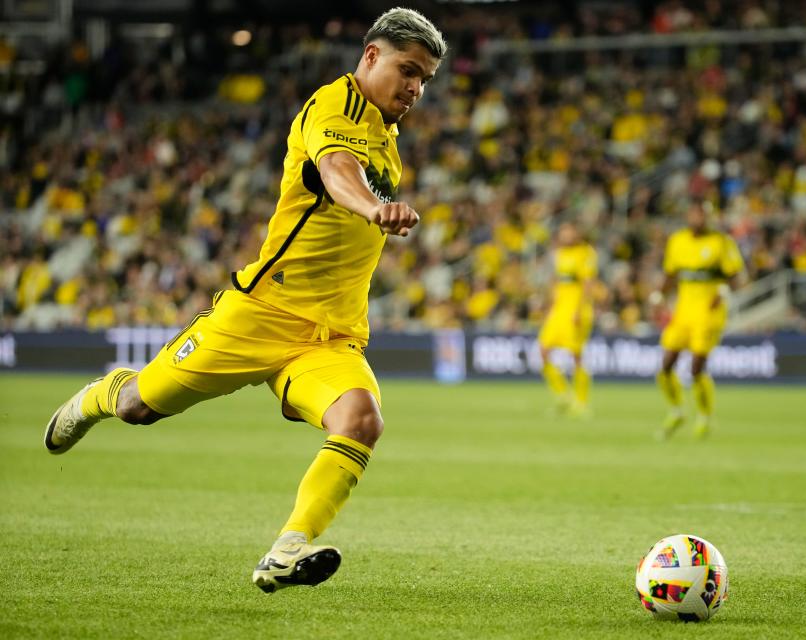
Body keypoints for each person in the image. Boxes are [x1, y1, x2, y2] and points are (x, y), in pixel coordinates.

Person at [43, 8, 446, 594]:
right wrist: (372, 207)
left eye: (426, 79)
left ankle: (286, 552)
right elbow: (336, 169)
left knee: (361, 420)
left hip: (330, 335)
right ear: (370, 57)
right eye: (408, 70)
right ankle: (100, 395)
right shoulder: (332, 108)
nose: (415, 88)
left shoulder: (388, 136)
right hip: (259, 315)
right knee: (140, 406)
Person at [650, 200, 744, 439]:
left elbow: (736, 277)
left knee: (696, 368)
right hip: (682, 311)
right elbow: (671, 275)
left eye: (702, 215)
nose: (697, 219)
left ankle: (704, 416)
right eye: (694, 214)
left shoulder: (721, 242)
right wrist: (659, 298)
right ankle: (677, 410)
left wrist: (722, 292)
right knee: (665, 366)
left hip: (708, 313)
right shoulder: (677, 241)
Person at [538, 222, 597, 417]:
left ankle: (581, 402)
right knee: (543, 350)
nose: (566, 235)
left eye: (569, 231)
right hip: (559, 310)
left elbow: (588, 285)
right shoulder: (560, 254)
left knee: (576, 356)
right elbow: (557, 283)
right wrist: (550, 308)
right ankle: (563, 395)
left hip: (576, 311)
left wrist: (580, 310)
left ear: (576, 233)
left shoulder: (585, 253)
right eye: (563, 232)